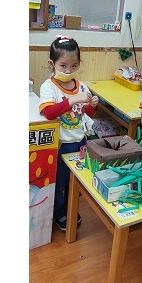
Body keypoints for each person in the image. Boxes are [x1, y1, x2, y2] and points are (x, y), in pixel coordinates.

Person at [39, 36, 99, 231]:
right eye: (63, 66)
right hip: (61, 145)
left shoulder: (81, 86)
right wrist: (72, 100)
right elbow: (49, 112)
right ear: (52, 64)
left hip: (80, 142)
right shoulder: (48, 86)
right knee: (60, 181)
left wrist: (92, 105)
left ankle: (69, 207)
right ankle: (58, 213)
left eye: (74, 66)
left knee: (76, 180)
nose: (68, 71)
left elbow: (87, 113)